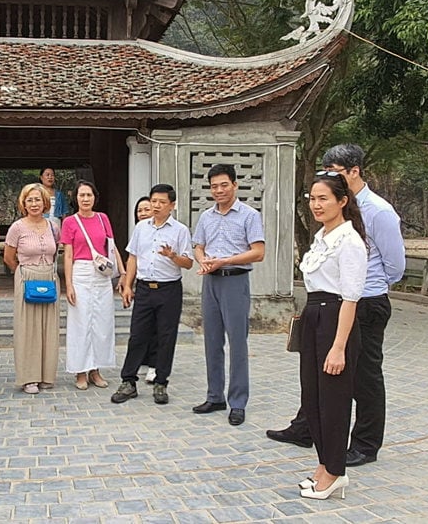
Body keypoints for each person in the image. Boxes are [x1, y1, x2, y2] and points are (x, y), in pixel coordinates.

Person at [267, 144, 405, 467]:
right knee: (318, 370)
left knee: (363, 375)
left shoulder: (379, 212)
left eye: (336, 176)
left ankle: (365, 444)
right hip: (330, 304)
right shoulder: (332, 216)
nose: (321, 195)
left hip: (365, 302)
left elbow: (396, 266)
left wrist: (366, 285)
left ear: (354, 172)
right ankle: (307, 428)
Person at [295, 171, 368, 499]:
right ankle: (325, 464)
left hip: (336, 320)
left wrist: (339, 347)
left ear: (343, 201)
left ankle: (335, 471)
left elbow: (350, 298)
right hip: (314, 316)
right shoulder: (322, 237)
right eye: (312, 198)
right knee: (313, 397)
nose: (316, 204)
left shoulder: (350, 241)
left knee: (334, 401)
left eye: (323, 198)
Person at [192, 164, 265, 426]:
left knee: (237, 343)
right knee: (212, 341)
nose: (219, 190)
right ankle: (215, 396)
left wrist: (225, 260)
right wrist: (203, 260)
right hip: (210, 282)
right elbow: (198, 247)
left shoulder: (249, 215)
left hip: (235, 281)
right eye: (214, 186)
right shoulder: (206, 217)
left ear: (234, 185)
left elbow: (258, 252)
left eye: (224, 185)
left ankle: (237, 402)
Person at [111, 184, 193, 405]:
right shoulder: (141, 228)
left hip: (169, 290)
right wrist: (128, 285)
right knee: (137, 335)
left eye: (161, 202)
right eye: (153, 201)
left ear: (172, 205)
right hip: (145, 288)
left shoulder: (180, 230)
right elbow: (133, 258)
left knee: (166, 337)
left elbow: (188, 263)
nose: (156, 205)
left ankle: (161, 383)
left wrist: (172, 256)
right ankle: (128, 382)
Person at [60, 180, 125, 390]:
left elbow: (112, 248)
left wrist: (122, 272)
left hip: (102, 274)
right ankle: (80, 370)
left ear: (95, 197)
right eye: (81, 195)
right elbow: (68, 255)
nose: (85, 199)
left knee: (102, 322)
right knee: (80, 323)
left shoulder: (103, 218)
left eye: (89, 195)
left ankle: (96, 369)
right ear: (75, 198)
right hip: (80, 272)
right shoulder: (70, 222)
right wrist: (68, 284)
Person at [3, 183, 61, 394]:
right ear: (23, 203)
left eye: (38, 199)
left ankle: (46, 374)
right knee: (28, 328)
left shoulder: (53, 226)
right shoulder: (17, 227)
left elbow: (57, 252)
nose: (34, 204)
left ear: (45, 202)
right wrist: (24, 273)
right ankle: (29, 377)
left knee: (49, 327)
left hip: (49, 277)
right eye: (30, 200)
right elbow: (9, 258)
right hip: (27, 276)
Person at [131, 196, 157, 383]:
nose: (143, 213)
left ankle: (154, 365)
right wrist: (127, 283)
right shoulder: (138, 232)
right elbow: (132, 259)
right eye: (139, 210)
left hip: (162, 285)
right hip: (142, 285)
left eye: (146, 209)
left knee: (156, 328)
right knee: (140, 328)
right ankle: (142, 360)